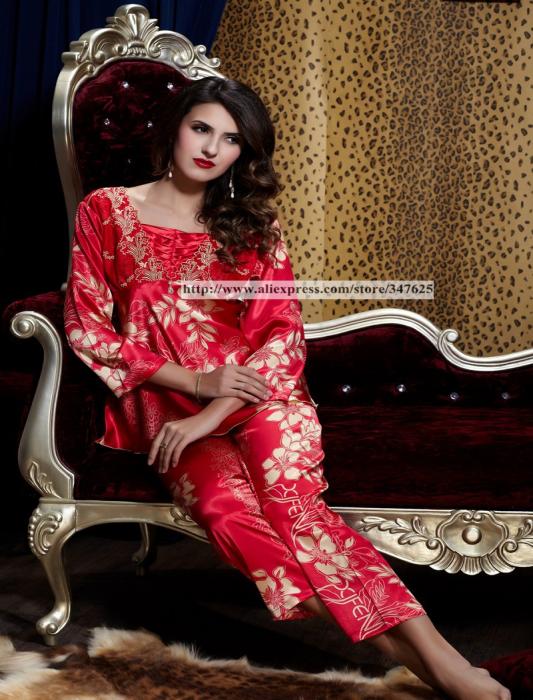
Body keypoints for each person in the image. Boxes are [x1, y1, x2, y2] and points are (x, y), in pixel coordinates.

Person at [63, 76, 510, 700]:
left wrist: (212, 408)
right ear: (174, 129)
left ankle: (442, 661)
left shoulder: (254, 226)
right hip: (167, 405)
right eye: (201, 128)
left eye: (231, 140)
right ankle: (426, 663)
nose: (211, 148)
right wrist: (194, 384)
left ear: (244, 153)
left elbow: (280, 334)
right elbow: (87, 328)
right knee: (230, 514)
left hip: (261, 396)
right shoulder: (107, 210)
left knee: (297, 513)